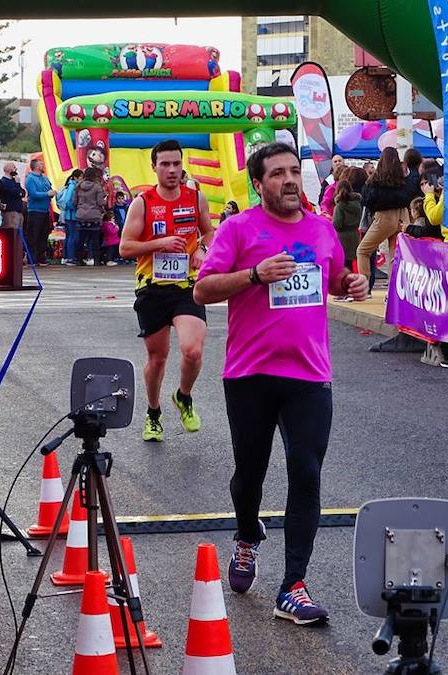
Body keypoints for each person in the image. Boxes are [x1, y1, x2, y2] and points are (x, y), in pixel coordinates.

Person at [193, 142, 368, 626]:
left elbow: (335, 279)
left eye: (294, 172)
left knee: (306, 470)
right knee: (250, 475)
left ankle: (292, 584)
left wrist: (351, 285)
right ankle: (247, 534)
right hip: (249, 374)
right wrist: (253, 274)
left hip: (309, 375)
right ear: (259, 183)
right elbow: (202, 289)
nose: (290, 180)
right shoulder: (238, 228)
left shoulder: (320, 228)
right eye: (277, 174)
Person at [119, 139, 214, 442]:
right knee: (158, 358)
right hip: (152, 288)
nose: (172, 170)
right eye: (165, 164)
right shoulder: (142, 202)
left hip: (187, 286)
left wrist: (203, 248)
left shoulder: (196, 197)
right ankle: (153, 412)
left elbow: (209, 229)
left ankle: (183, 396)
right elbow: (124, 247)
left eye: (176, 163)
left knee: (193, 349)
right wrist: (159, 243)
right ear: (154, 167)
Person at [357, 147, 414, 285]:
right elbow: (411, 194)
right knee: (395, 255)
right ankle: (394, 289)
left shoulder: (376, 180)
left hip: (384, 217)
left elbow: (367, 199)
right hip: (403, 215)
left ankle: (364, 285)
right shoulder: (404, 179)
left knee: (363, 250)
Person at [25, 159, 55, 265]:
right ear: (36, 166)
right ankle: (31, 258)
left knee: (44, 235)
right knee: (33, 236)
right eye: (41, 164)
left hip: (45, 211)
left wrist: (52, 192)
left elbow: (49, 188)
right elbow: (33, 194)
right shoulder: (30, 179)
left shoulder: (45, 178)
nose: (43, 166)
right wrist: (47, 194)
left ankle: (41, 257)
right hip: (35, 211)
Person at [74, 167, 106, 265]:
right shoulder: (97, 187)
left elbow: (74, 201)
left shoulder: (78, 186)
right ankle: (96, 261)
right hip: (94, 215)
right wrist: (106, 200)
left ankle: (79, 260)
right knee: (95, 240)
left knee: (80, 239)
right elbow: (100, 202)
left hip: (80, 215)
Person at [331, 177, 361, 274]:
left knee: (343, 264)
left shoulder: (340, 206)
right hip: (355, 235)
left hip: (342, 237)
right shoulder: (357, 204)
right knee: (351, 263)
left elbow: (337, 224)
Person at [59, 169, 83, 265]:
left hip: (68, 216)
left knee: (69, 236)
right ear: (76, 177)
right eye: (81, 177)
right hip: (72, 215)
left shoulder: (69, 185)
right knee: (73, 237)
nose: (82, 179)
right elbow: (68, 201)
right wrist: (75, 207)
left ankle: (66, 256)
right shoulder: (73, 186)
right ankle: (70, 257)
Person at [0, 162, 26, 229]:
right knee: (13, 233)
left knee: (19, 234)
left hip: (19, 212)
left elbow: (23, 193)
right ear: (9, 170)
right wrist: (17, 184)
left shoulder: (14, 181)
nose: (16, 169)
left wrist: (18, 185)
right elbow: (17, 193)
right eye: (14, 167)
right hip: (11, 213)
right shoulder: (4, 182)